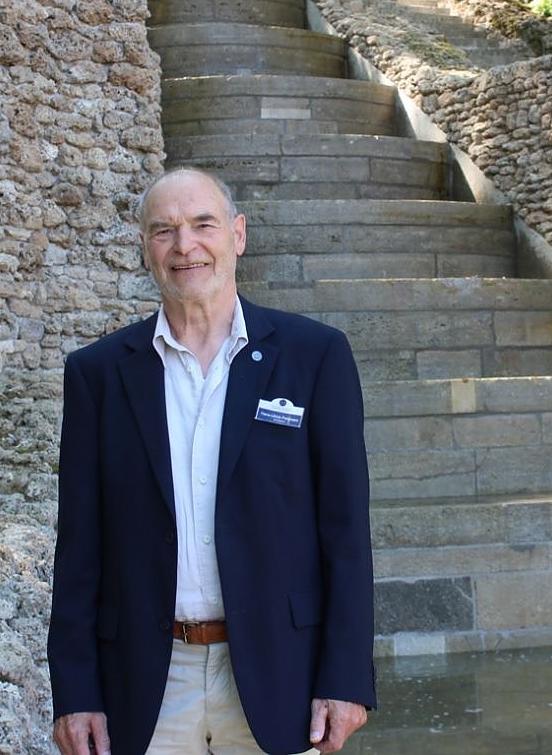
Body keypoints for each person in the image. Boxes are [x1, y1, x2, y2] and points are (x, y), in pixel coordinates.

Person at [48, 168, 375, 755]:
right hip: (144, 684)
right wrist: (75, 692)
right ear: (145, 247)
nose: (185, 246)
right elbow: (79, 548)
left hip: (282, 675)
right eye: (164, 230)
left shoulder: (315, 356)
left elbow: (346, 534)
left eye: (203, 225)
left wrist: (345, 679)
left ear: (238, 234)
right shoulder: (97, 375)